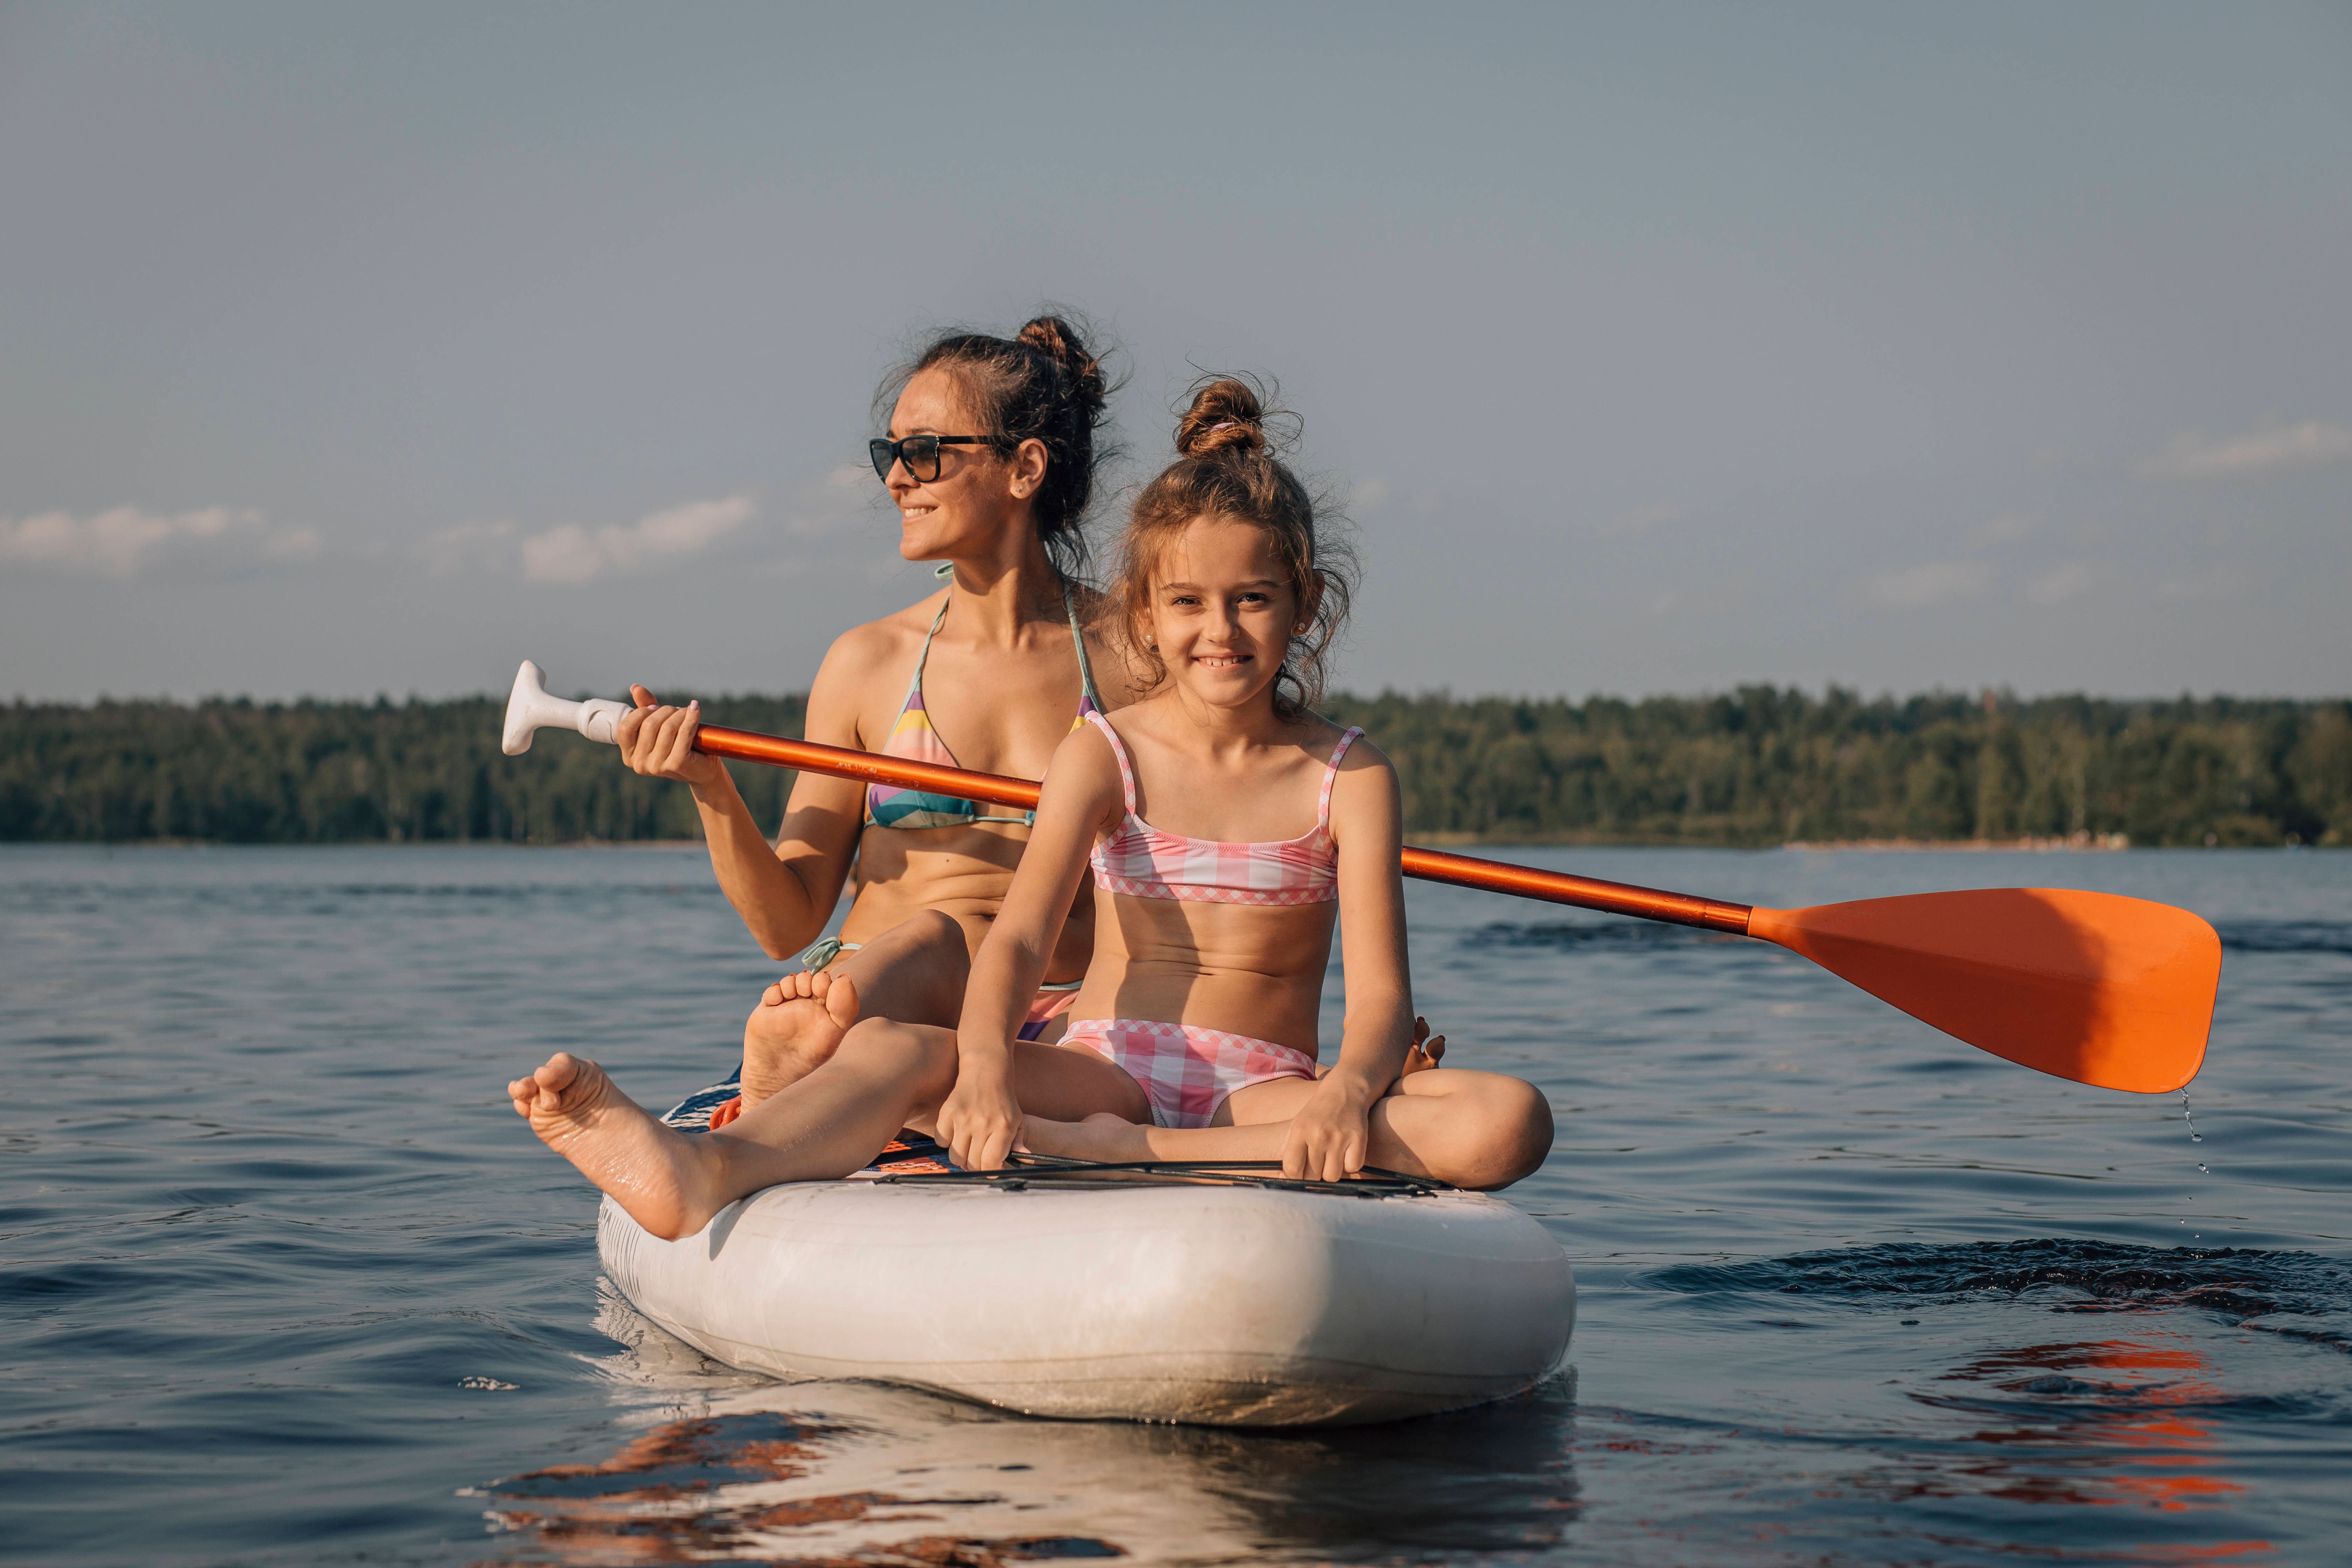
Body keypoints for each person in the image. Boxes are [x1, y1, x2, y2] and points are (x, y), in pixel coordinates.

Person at [509, 378, 1549, 1240]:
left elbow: (1379, 999)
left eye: (1253, 599)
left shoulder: (1351, 775)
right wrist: (986, 1069)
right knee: (895, 1045)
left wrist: (1350, 1088)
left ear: (1304, 604)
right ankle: (710, 1164)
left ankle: (1133, 1156)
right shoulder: (1106, 749)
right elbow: (1014, 942)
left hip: (1259, 1086)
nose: (1220, 631)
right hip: (1104, 1063)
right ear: (1150, 614)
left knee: (1509, 1119)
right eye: (1188, 603)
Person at [613, 317, 1134, 1116]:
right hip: (878, 999)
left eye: (923, 452)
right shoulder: (866, 663)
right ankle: (809, 1065)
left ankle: (845, 1102)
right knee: (931, 937)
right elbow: (787, 923)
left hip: (1062, 1012)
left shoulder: (1136, 657)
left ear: (1025, 467)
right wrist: (710, 788)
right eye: (888, 453)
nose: (896, 479)